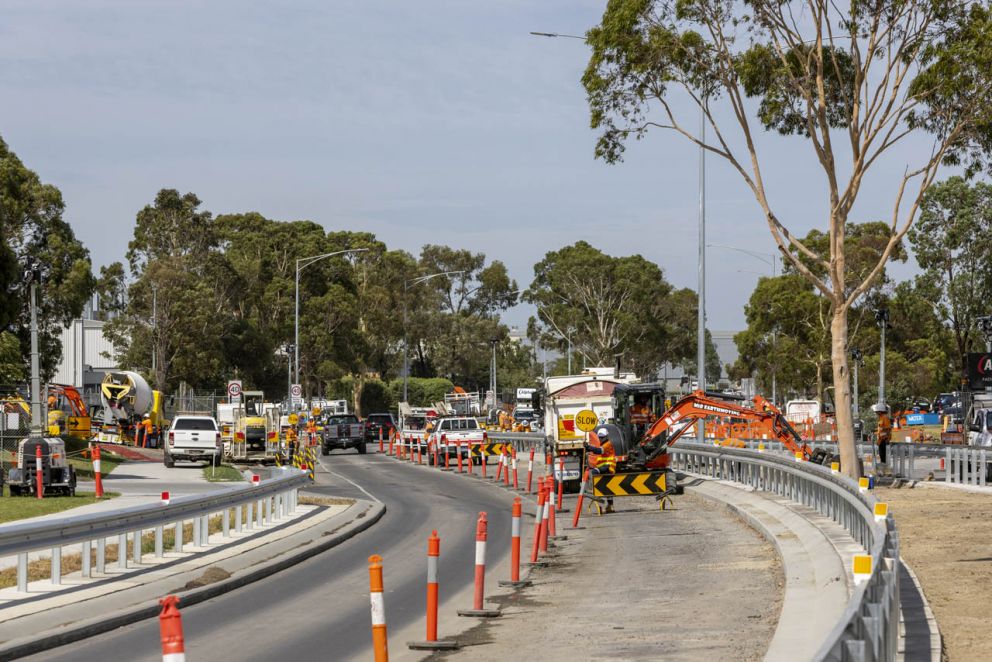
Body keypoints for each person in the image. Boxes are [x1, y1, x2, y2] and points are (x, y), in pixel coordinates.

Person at [584, 426, 618, 513]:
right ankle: (610, 506)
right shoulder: (603, 444)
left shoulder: (608, 444)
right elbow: (597, 451)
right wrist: (588, 448)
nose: (601, 439)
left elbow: (600, 451)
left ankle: (594, 491)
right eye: (600, 437)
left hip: (608, 467)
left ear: (606, 437)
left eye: (602, 437)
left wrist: (589, 447)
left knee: (593, 472)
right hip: (604, 466)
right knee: (607, 487)